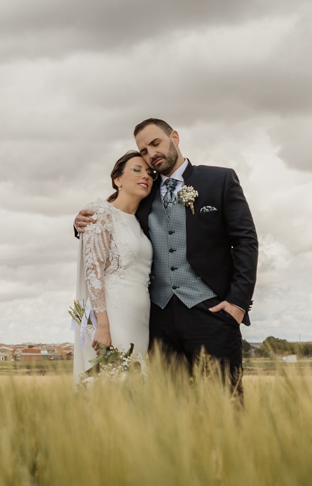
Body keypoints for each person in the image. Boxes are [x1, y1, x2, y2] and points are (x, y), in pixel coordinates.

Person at [75, 118, 258, 391]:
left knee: (225, 403)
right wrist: (80, 222)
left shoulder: (218, 180)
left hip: (212, 312)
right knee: (170, 409)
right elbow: (111, 214)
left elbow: (245, 241)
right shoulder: (144, 190)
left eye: (155, 143)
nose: (151, 154)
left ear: (175, 136)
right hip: (157, 321)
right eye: (144, 150)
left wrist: (237, 304)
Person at [75, 151, 154, 384]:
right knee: (112, 384)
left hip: (140, 317)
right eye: (137, 169)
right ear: (117, 179)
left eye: (150, 173)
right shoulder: (100, 213)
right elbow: (94, 271)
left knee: (136, 385)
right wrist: (103, 326)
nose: (146, 176)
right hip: (112, 316)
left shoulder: (139, 220)